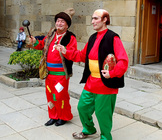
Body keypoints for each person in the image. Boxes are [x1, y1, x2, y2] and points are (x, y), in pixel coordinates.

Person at [55, 9, 129, 139]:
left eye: (96, 18)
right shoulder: (92, 37)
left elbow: (123, 61)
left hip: (106, 83)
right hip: (91, 82)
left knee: (103, 113)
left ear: (105, 19)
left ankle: (106, 137)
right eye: (92, 18)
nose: (92, 21)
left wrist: (112, 73)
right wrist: (66, 51)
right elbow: (82, 55)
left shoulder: (113, 37)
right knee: (82, 107)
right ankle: (89, 129)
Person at [28, 8, 77, 126]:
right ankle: (53, 116)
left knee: (60, 95)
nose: (59, 23)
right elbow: (41, 45)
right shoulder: (51, 35)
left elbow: (73, 53)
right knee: (50, 94)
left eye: (62, 22)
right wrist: (34, 42)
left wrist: (64, 50)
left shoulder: (71, 37)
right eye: (58, 21)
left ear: (67, 25)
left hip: (61, 73)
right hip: (49, 73)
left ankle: (63, 116)